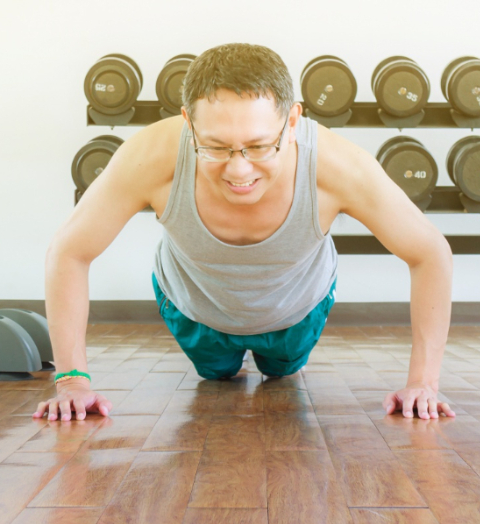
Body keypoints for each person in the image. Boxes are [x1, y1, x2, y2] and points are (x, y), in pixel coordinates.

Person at [34, 43, 455, 422]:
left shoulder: (339, 166)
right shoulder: (151, 155)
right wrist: (71, 380)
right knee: (216, 375)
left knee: (281, 371)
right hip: (193, 309)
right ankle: (221, 353)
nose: (238, 170)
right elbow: (69, 250)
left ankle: (278, 354)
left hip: (297, 310)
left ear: (292, 121)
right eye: (215, 147)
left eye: (257, 147)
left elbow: (430, 252)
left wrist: (424, 382)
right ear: (188, 123)